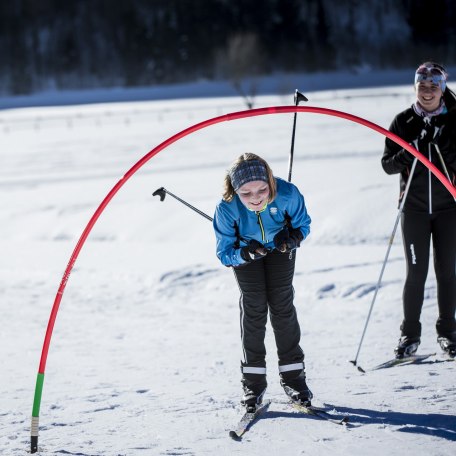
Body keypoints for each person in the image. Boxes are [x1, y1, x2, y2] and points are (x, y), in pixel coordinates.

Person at [213, 153, 312, 411]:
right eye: (246, 194)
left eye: (262, 190)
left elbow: (304, 224)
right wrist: (244, 253)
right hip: (247, 254)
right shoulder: (226, 208)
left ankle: (294, 378)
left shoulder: (288, 194)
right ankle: (253, 383)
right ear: (235, 191)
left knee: (282, 305)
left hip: (280, 250)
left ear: (270, 181)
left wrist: (292, 239)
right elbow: (224, 253)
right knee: (254, 308)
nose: (256, 198)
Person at [381, 62, 456, 359]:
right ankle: (409, 335)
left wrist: (442, 143)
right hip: (413, 210)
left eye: (433, 87)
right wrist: (413, 147)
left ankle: (448, 332)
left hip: (448, 208)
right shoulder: (403, 121)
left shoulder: (454, 120)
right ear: (415, 87)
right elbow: (388, 165)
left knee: (447, 272)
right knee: (416, 273)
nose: (427, 92)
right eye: (422, 86)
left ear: (442, 89)